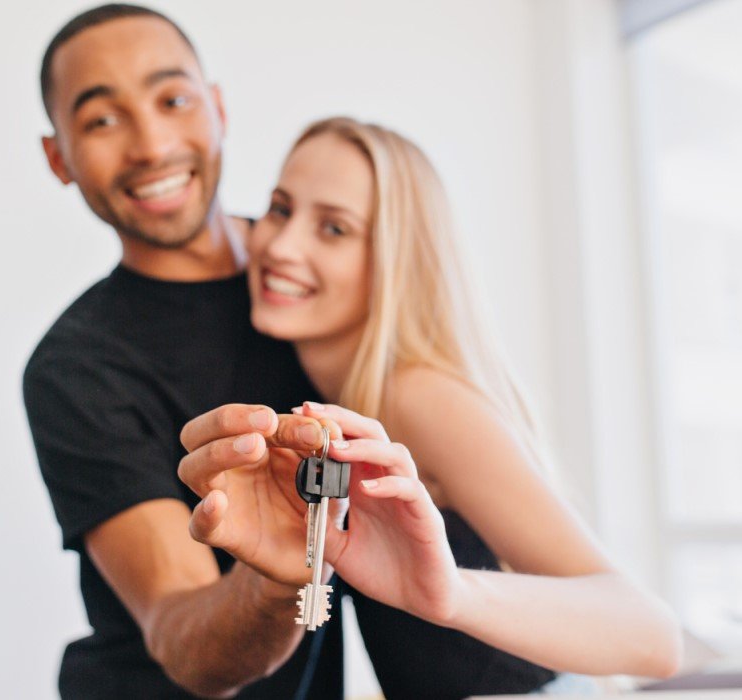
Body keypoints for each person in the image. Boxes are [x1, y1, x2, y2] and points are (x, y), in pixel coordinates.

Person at [178, 117, 684, 699]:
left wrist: (448, 592)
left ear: (396, 257)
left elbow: (653, 635)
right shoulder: (334, 393)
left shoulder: (418, 397)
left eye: (334, 228)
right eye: (280, 209)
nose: (283, 246)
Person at [22, 6, 344, 698]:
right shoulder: (76, 368)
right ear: (60, 159)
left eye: (173, 99)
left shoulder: (325, 277)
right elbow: (181, 638)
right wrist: (281, 571)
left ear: (218, 108)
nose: (151, 145)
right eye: (103, 120)